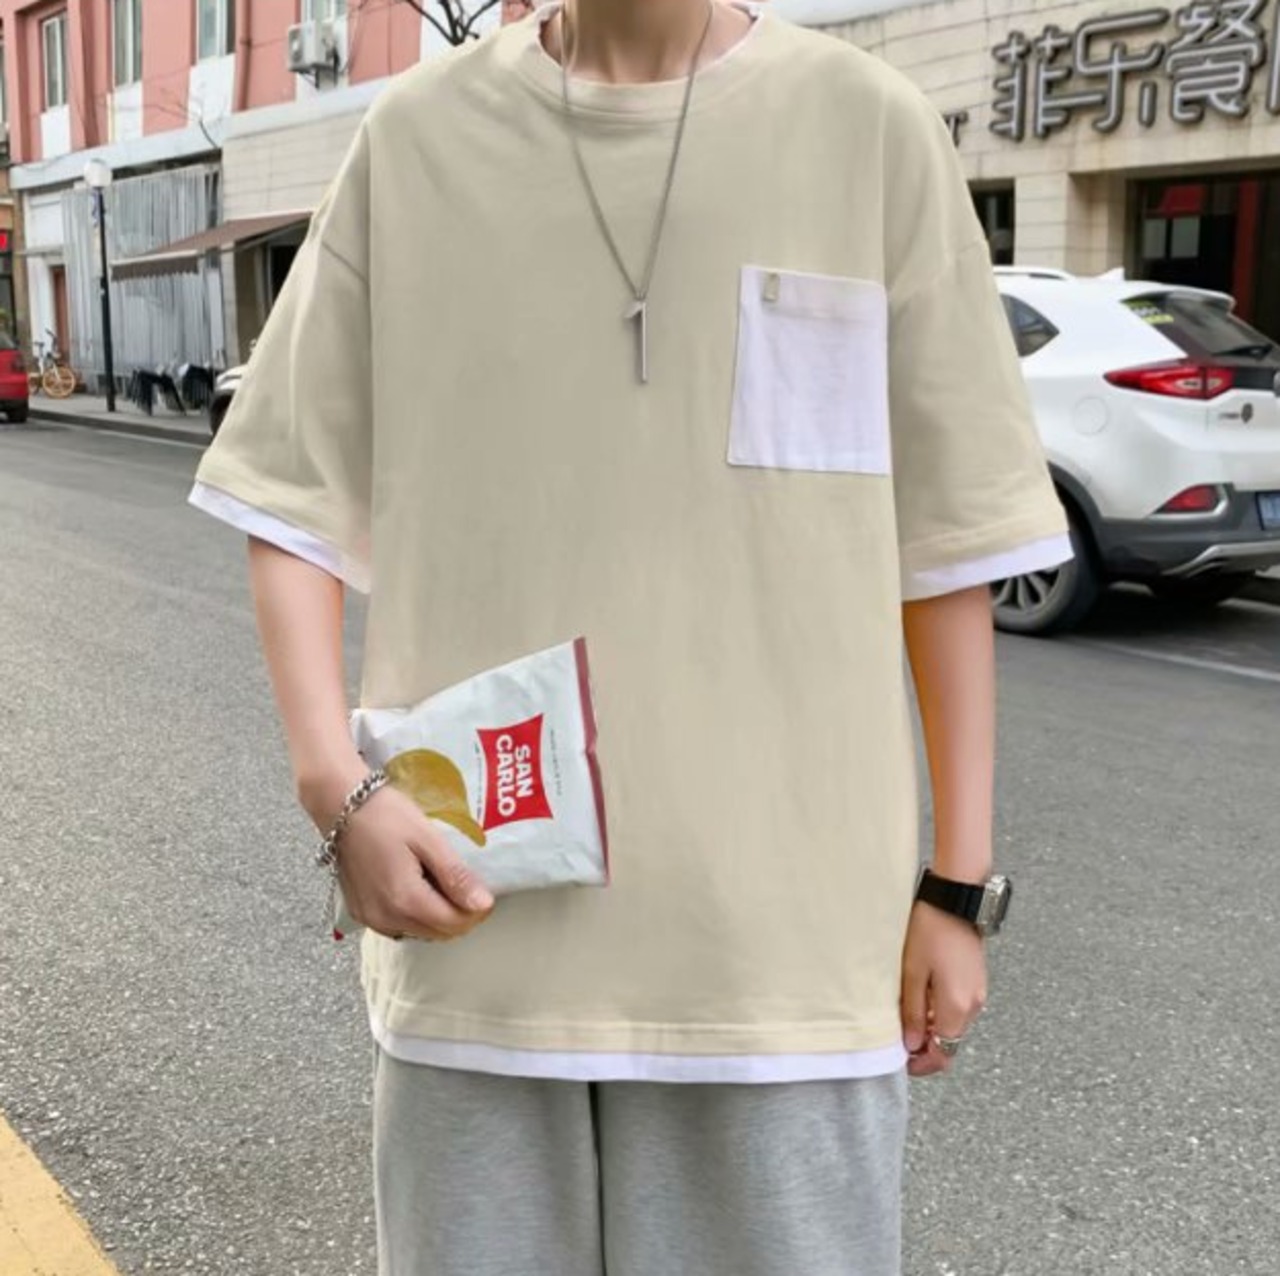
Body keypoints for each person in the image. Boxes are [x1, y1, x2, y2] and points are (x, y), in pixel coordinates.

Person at [190, 0, 1070, 1270]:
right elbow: (289, 493)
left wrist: (955, 887)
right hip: (477, 934)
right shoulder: (417, 137)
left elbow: (948, 547)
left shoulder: (865, 129)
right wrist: (336, 786)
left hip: (785, 962)